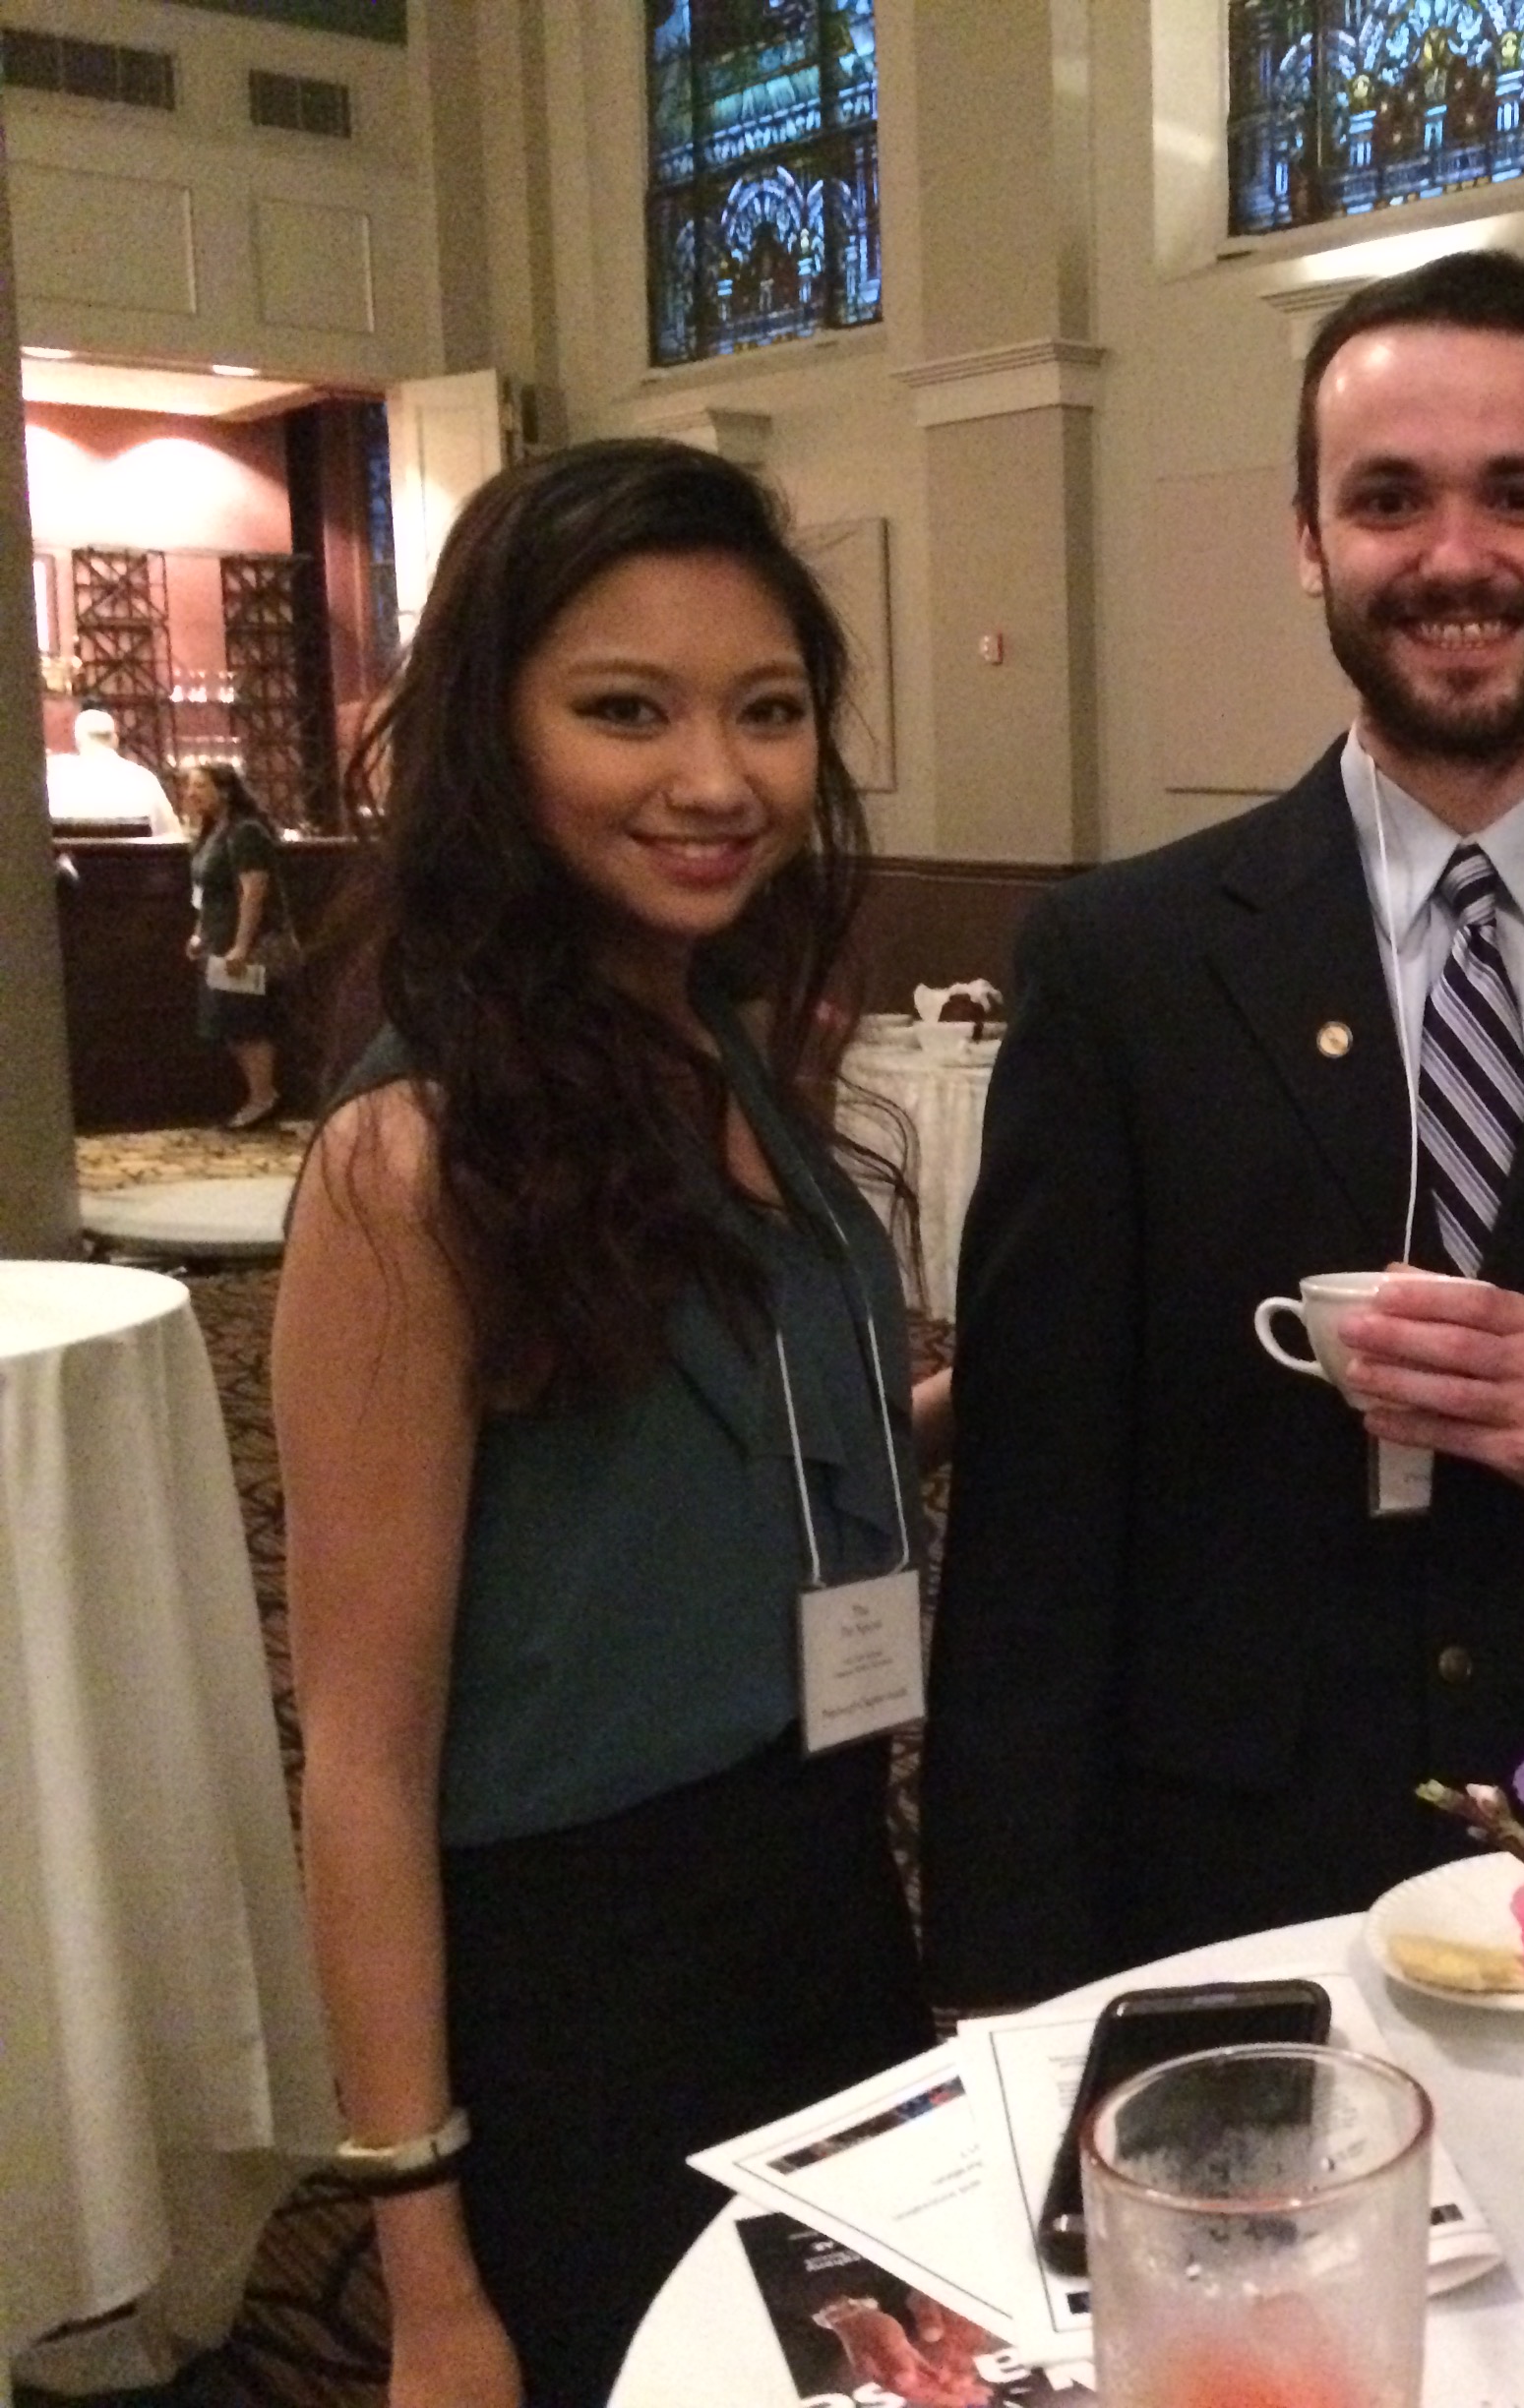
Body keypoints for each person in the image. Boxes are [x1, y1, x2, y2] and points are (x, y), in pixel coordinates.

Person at [919, 250, 1524, 2006]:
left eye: (1519, 495)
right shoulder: (1122, 965)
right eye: (1389, 499)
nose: (1457, 557)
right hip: (1215, 1860)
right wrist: (1008, 1982)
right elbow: (1031, 1520)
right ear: (1309, 537)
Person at [274, 440, 942, 2408]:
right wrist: (426, 2272)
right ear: (493, 734)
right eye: (626, 711)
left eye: (769, 711)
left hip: (825, 1879)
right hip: (588, 1971)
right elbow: (362, 1759)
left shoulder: (725, 1040)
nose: (716, 779)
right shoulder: (412, 1157)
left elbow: (710, 1462)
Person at [178, 759, 287, 1127]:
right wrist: (199, 932)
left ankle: (263, 1097)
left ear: (224, 791)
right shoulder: (212, 833)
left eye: (200, 786)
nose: (191, 793)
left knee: (246, 1020)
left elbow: (254, 891)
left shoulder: (245, 832)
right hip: (217, 939)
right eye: (189, 786)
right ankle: (259, 1096)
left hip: (241, 943)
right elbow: (206, 892)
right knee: (227, 1021)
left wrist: (241, 945)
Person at [45, 703, 183, 835]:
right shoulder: (144, 780)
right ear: (115, 740)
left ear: (77, 740)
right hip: (130, 853)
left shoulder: (55, 780)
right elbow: (171, 836)